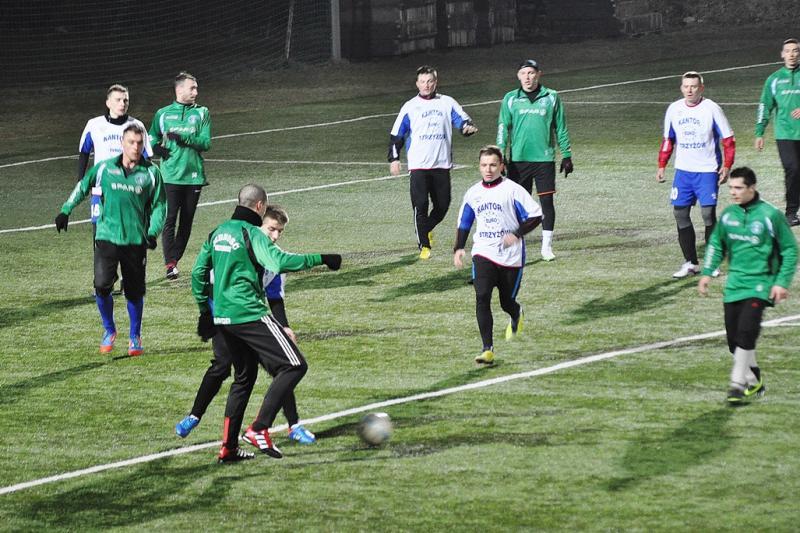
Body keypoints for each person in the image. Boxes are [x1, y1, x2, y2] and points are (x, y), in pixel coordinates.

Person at [191, 184, 342, 463]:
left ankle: (228, 448)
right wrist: (322, 258)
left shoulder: (218, 232)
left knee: (244, 379)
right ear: (260, 206)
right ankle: (259, 428)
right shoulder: (252, 233)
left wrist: (204, 311)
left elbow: (198, 272)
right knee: (294, 365)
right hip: (248, 313)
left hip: (223, 318)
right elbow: (279, 261)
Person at [176, 205, 316, 446]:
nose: (275, 236)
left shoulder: (273, 258)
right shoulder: (237, 248)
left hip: (252, 320)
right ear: (258, 226)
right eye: (271, 229)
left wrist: (284, 327)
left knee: (281, 368)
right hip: (226, 318)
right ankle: (194, 416)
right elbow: (210, 283)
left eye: (280, 231)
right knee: (221, 366)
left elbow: (275, 297)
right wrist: (209, 316)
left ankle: (293, 426)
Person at [55, 124, 166, 356]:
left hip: (135, 240)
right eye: (131, 142)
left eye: (139, 143)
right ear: (122, 143)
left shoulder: (151, 173)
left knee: (134, 292)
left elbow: (159, 206)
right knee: (101, 286)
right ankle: (109, 329)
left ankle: (135, 336)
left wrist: (152, 232)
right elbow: (83, 186)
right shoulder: (105, 168)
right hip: (106, 237)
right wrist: (66, 210)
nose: (136, 147)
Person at [698, 166, 797, 404]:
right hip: (734, 285)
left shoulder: (770, 215)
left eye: (738, 188)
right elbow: (716, 244)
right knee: (734, 341)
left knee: (746, 332)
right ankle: (754, 382)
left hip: (761, 284)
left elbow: (790, 250)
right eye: (731, 188)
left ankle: (737, 385)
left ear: (752, 188)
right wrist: (707, 273)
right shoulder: (728, 215)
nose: (733, 192)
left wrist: (781, 282)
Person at [453, 145, 542, 365]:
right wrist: (459, 248)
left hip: (511, 256)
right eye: (484, 165)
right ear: (479, 167)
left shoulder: (513, 190)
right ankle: (487, 349)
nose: (488, 169)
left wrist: (517, 234)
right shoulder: (473, 193)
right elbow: (464, 221)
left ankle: (516, 312)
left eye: (493, 165)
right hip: (483, 252)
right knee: (482, 296)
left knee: (506, 301)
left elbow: (536, 215)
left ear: (501, 166)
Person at [388, 65, 478, 260]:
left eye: (430, 81)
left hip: (441, 165)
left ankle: (425, 229)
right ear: (417, 84)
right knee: (420, 206)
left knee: (443, 206)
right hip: (418, 166)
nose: (426, 85)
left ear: (436, 82)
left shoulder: (447, 102)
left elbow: (462, 121)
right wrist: (394, 158)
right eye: (422, 82)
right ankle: (424, 245)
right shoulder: (410, 106)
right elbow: (396, 135)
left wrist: (467, 128)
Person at [656, 71, 735, 279]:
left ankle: (712, 262)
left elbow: (728, 140)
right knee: (680, 214)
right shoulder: (674, 109)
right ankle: (690, 263)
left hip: (707, 170)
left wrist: (727, 166)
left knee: (708, 214)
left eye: (693, 86)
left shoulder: (712, 108)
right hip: (683, 171)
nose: (689, 90)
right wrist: (662, 164)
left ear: (701, 88)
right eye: (686, 86)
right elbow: (668, 139)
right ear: (681, 88)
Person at [496, 59, 573, 262]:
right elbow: (503, 127)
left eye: (531, 73)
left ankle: (546, 247)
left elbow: (561, 127)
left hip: (544, 160)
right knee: (516, 205)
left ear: (539, 74)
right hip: (518, 160)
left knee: (546, 202)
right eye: (524, 73)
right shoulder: (510, 98)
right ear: (518, 76)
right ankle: (515, 243)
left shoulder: (552, 97)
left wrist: (566, 154)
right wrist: (500, 154)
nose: (527, 77)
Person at [149, 72, 212, 280]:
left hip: (193, 177)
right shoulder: (162, 114)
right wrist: (157, 149)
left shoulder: (202, 112)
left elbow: (206, 143)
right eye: (192, 88)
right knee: (169, 219)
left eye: (196, 88)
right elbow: (151, 137)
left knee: (186, 221)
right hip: (169, 176)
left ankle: (174, 259)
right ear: (179, 89)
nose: (196, 92)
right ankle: (170, 264)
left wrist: (183, 138)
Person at [754, 38, 800, 227]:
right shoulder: (774, 79)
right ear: (782, 54)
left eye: (795, 50)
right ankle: (791, 212)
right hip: (785, 134)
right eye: (788, 51)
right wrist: (759, 132)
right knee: (793, 169)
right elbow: (764, 106)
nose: (791, 54)